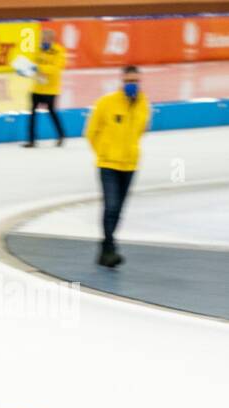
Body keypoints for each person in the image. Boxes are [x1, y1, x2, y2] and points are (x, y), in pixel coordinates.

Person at [84, 66, 150, 268]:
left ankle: (106, 247)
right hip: (108, 164)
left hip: (130, 165)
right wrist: (104, 154)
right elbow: (91, 131)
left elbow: (140, 131)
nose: (133, 85)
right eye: (129, 80)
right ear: (122, 81)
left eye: (136, 81)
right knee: (111, 206)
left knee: (119, 209)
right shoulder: (107, 103)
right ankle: (110, 247)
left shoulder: (143, 105)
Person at [24, 28, 66, 148]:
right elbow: (33, 65)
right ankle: (31, 140)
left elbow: (56, 68)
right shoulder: (38, 50)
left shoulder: (58, 51)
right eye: (42, 39)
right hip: (37, 87)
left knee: (52, 112)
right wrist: (26, 70)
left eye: (45, 39)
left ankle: (61, 135)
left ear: (51, 39)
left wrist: (40, 68)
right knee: (32, 113)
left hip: (51, 89)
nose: (43, 41)